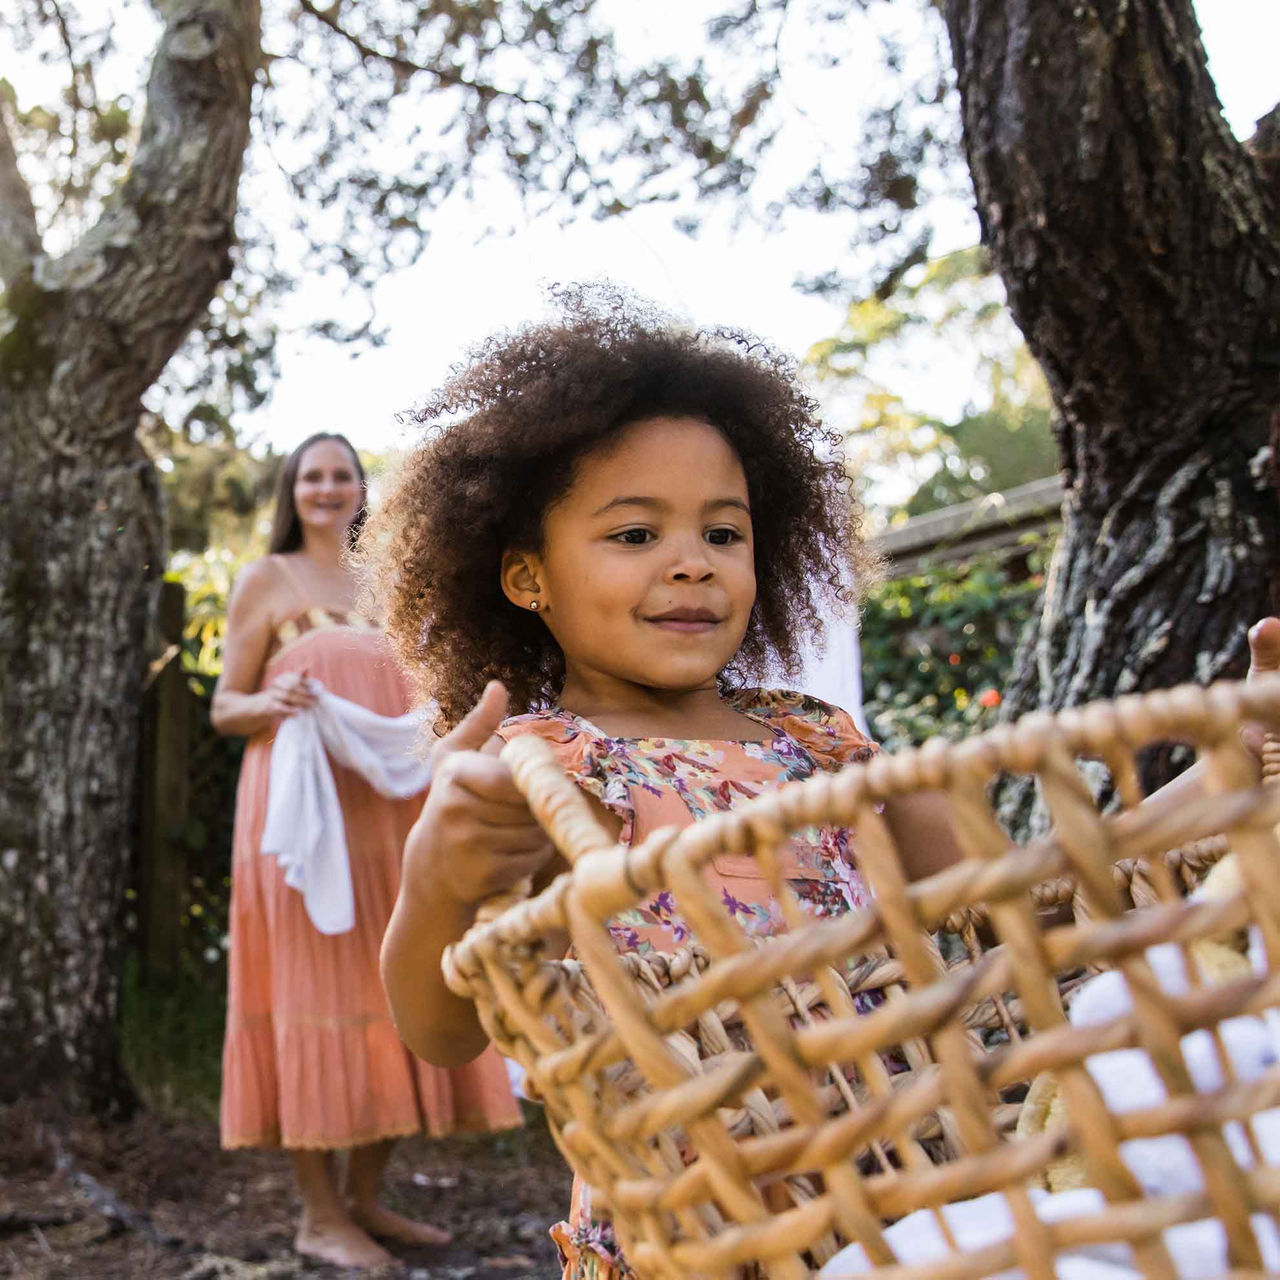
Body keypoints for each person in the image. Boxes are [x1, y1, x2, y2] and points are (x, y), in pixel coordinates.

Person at [364, 289, 965, 1278]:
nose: (690, 564)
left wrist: (1224, 767)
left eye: (722, 534)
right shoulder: (548, 770)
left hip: (900, 1198)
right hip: (692, 1230)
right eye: (634, 535)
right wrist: (437, 877)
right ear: (524, 575)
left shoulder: (818, 740)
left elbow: (1018, 890)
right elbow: (438, 1030)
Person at [212, 431, 521, 1270]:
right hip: (300, 816)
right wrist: (273, 698)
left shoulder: (390, 584)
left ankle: (364, 1199)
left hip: (392, 811)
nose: (327, 487)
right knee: (311, 988)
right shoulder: (266, 582)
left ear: (359, 489)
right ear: (292, 491)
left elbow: (422, 692)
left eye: (341, 474)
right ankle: (317, 1214)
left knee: (397, 986)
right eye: (311, 475)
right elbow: (224, 708)